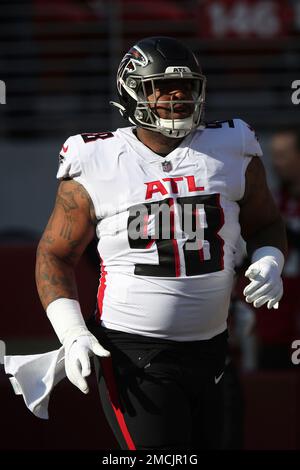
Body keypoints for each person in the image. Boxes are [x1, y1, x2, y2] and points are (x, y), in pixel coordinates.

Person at [35, 36, 287, 450]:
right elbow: (55, 254)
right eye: (160, 87)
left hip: (213, 350)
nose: (177, 96)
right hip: (134, 355)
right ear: (132, 91)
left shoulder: (232, 146)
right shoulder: (97, 158)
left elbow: (267, 224)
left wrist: (269, 258)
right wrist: (72, 332)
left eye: (187, 87)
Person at [254, 129, 300, 369]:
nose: (276, 163)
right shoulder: (273, 201)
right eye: (274, 155)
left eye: (283, 155)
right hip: (277, 319)